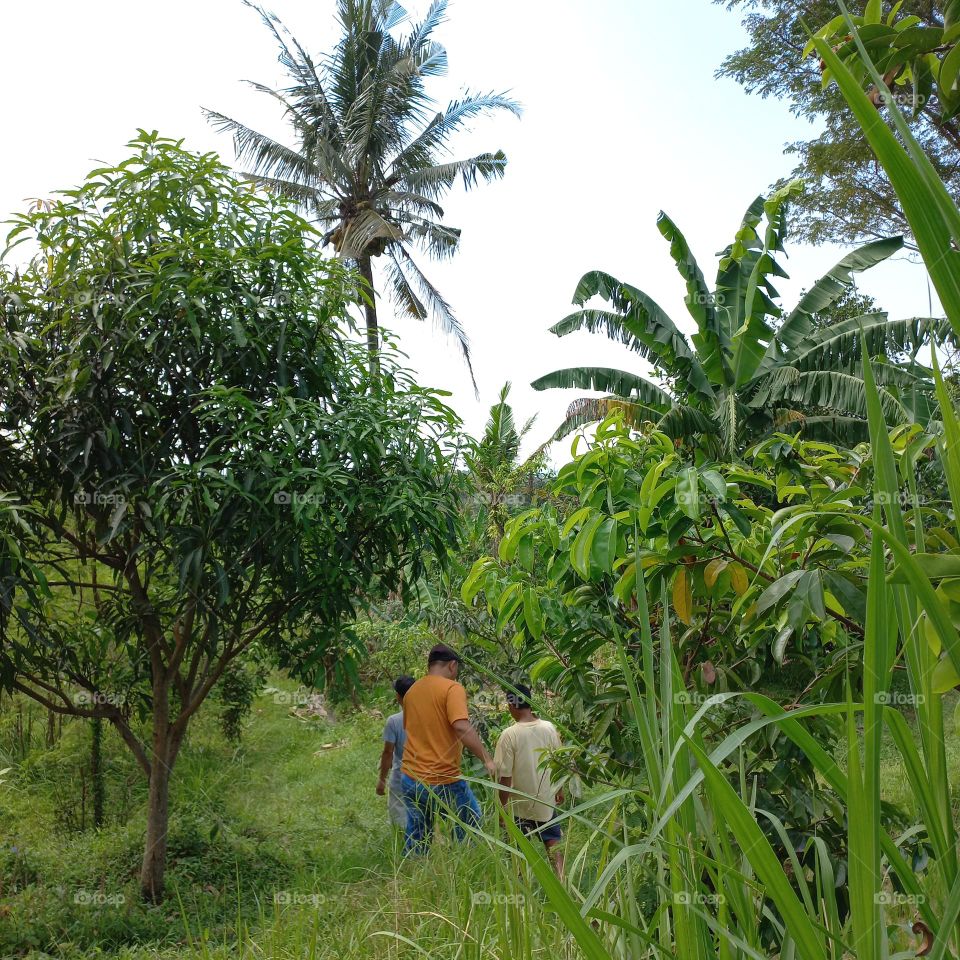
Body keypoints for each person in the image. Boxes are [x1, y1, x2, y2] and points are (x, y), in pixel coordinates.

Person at [400, 643, 496, 854]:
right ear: (452, 665)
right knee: (471, 823)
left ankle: (411, 876)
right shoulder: (452, 688)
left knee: (418, 833)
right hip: (442, 779)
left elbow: (412, 729)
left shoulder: (411, 692)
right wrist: (487, 759)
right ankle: (466, 868)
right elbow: (461, 725)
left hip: (410, 777)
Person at [494, 683, 565, 878]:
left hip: (519, 806)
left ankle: (522, 891)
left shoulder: (509, 735)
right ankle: (562, 883)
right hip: (545, 800)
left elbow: (504, 777)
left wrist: (502, 808)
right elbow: (560, 763)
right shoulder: (549, 728)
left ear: (511, 705)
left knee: (519, 850)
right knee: (552, 842)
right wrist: (560, 790)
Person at [377, 675, 416, 828]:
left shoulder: (394, 721)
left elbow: (388, 753)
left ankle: (407, 848)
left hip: (402, 777)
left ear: (398, 697)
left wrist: (381, 779)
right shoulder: (428, 717)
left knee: (400, 819)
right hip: (427, 776)